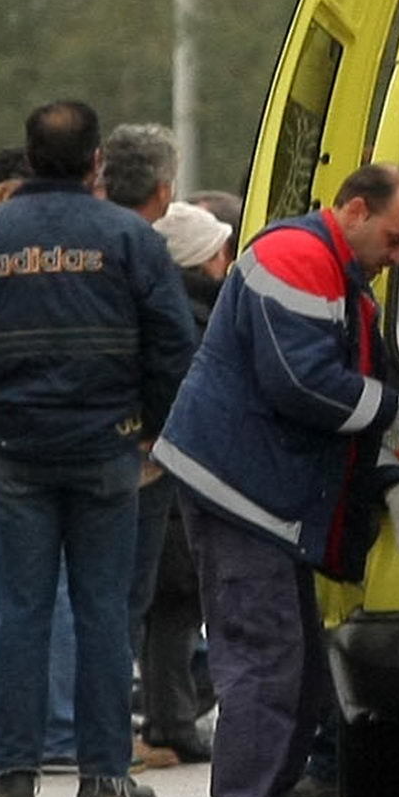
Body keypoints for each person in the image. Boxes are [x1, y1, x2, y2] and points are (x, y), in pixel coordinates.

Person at [0, 98, 196, 797]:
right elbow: (173, 341)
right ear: (95, 162)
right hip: (110, 449)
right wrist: (154, 430)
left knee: (18, 608)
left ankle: (13, 773)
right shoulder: (126, 237)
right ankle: (104, 774)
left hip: (12, 450)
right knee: (104, 609)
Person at [158, 164, 399, 797]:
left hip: (258, 489)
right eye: (394, 240)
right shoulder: (298, 259)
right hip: (242, 490)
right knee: (265, 654)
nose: (397, 258)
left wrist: (389, 473)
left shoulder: (329, 269)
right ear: (357, 210)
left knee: (295, 659)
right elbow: (302, 383)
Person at [100, 122, 201, 767]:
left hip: (47, 442)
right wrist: (163, 437)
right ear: (164, 191)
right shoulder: (143, 252)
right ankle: (107, 740)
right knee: (123, 602)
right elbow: (171, 350)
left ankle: (46, 733)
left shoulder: (66, 240)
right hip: (134, 452)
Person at [140, 198, 232, 765]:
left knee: (157, 606)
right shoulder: (204, 318)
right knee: (176, 601)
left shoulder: (151, 306)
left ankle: (166, 714)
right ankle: (172, 719)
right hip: (184, 475)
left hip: (152, 468)